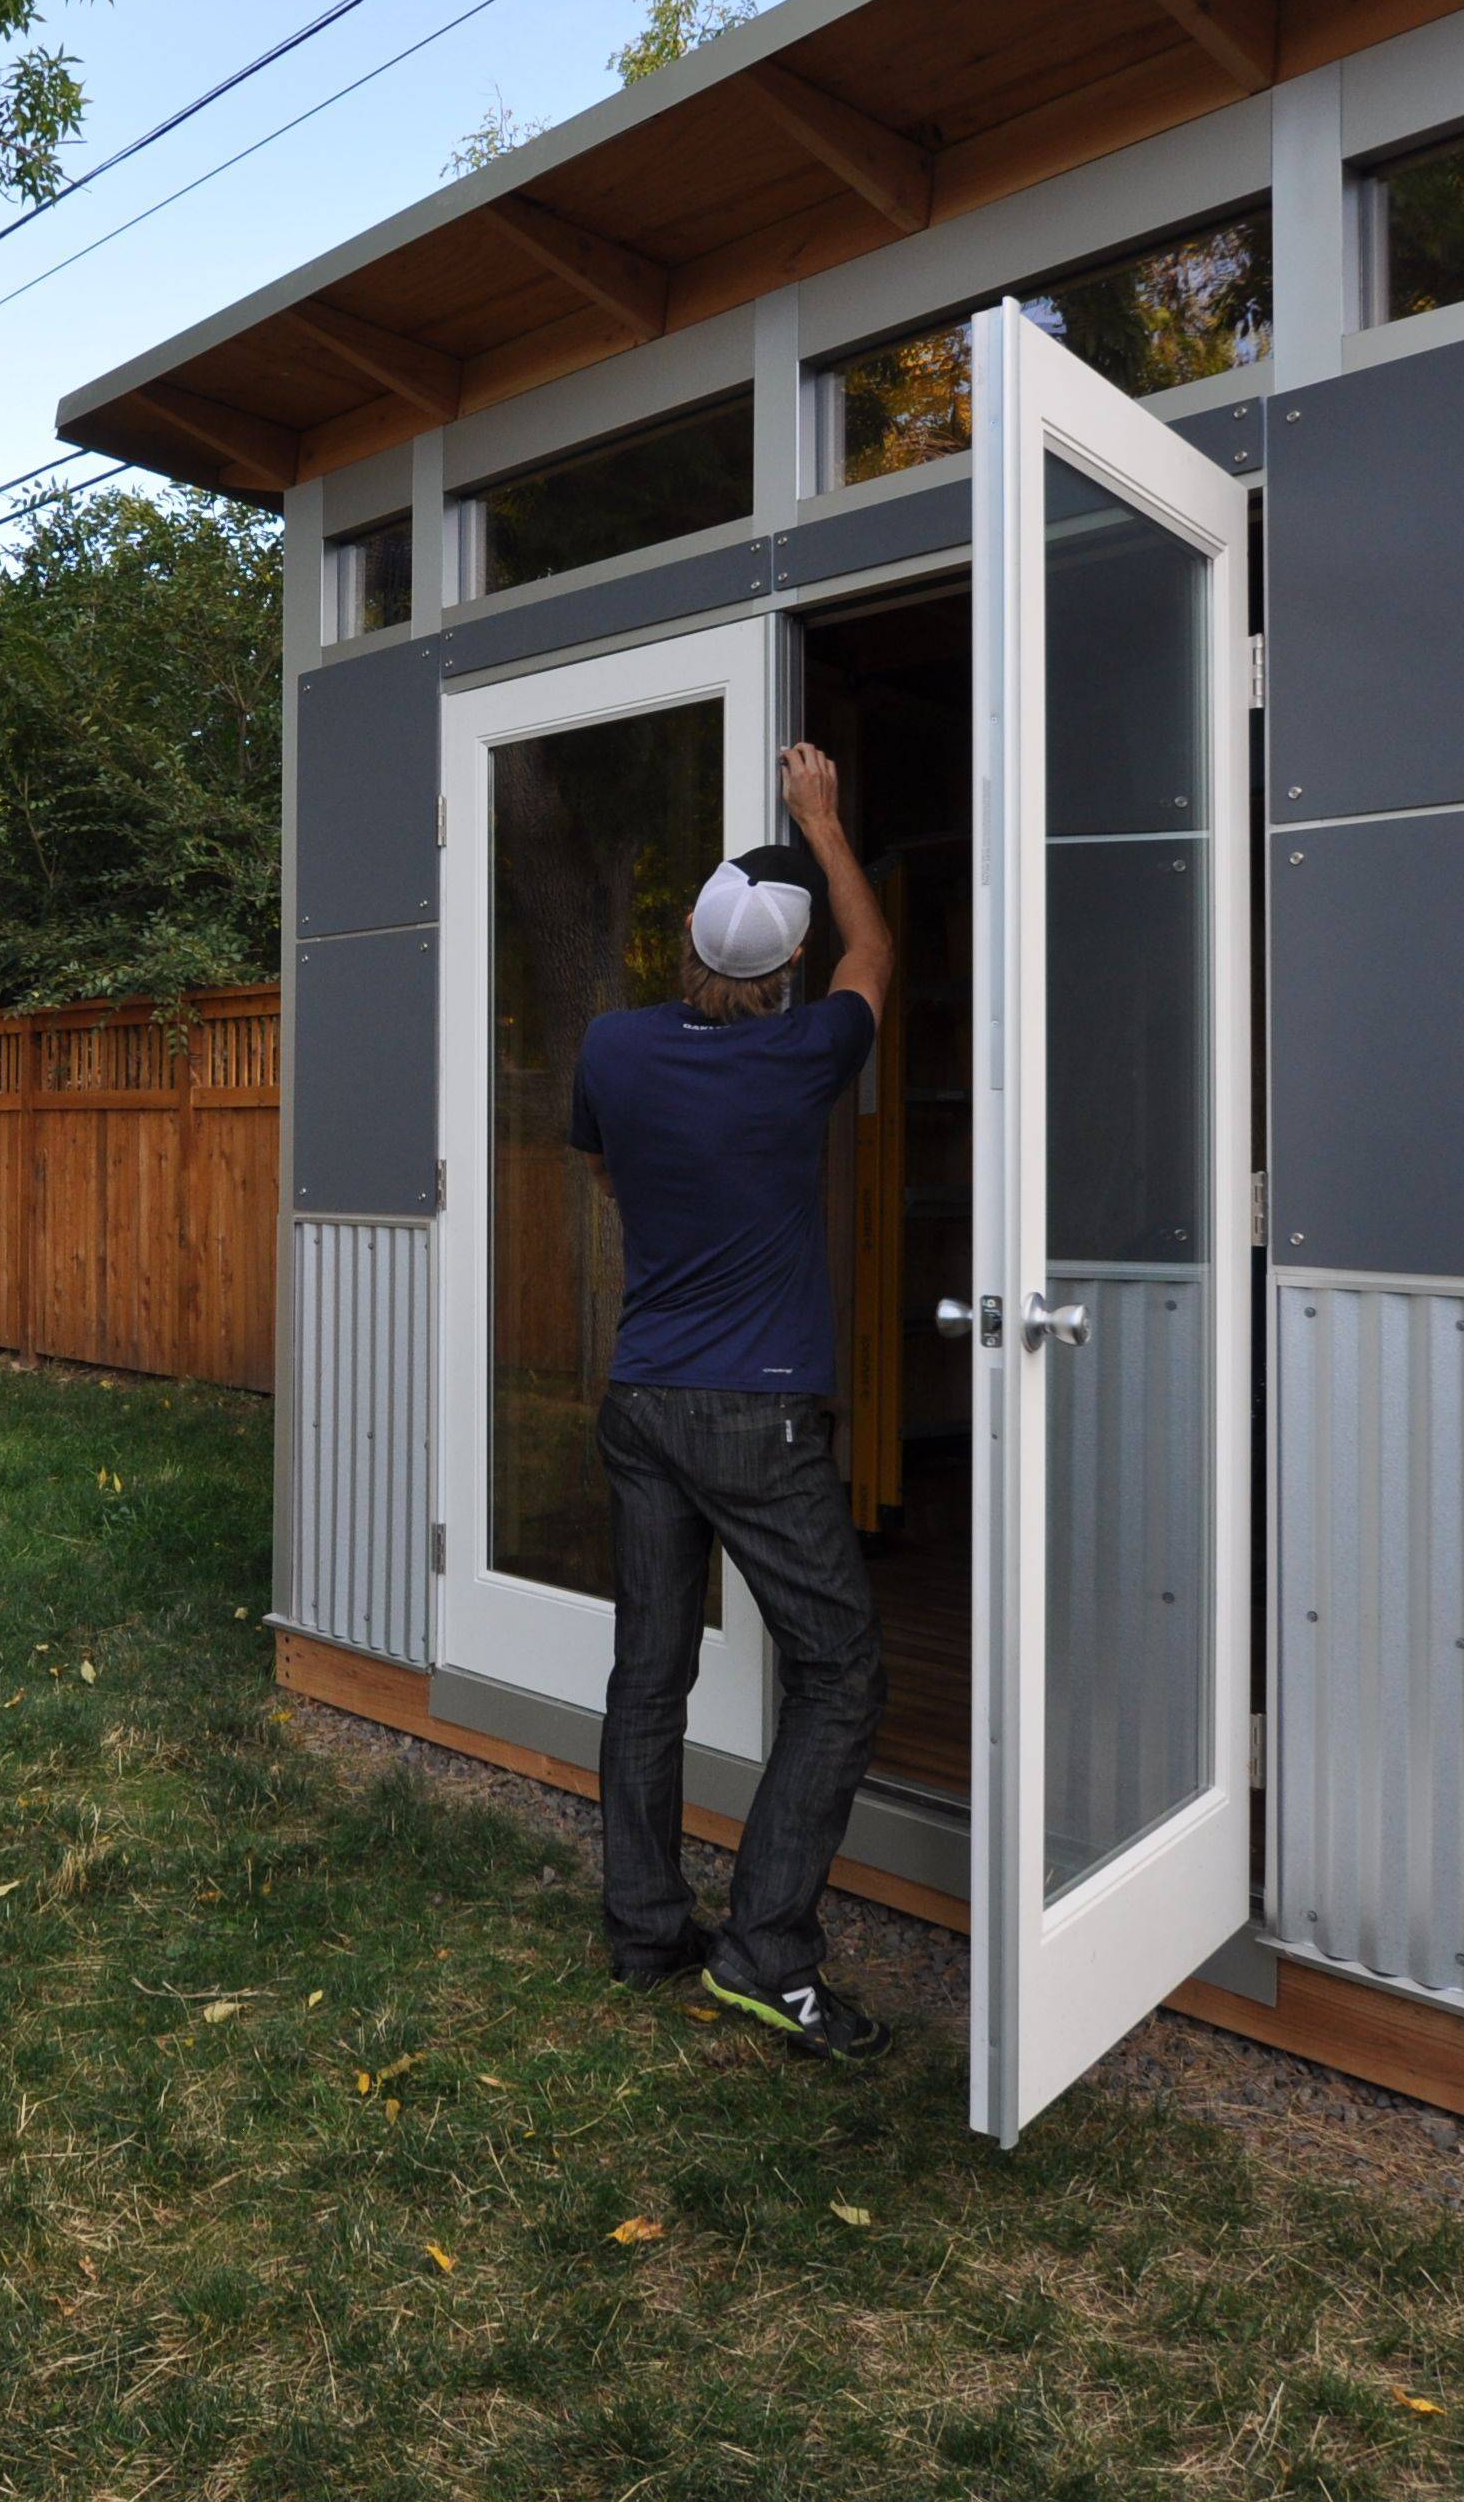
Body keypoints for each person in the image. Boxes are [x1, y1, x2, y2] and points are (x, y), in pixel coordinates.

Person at [566, 740, 896, 2062]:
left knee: (649, 1670)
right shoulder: (804, 1054)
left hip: (643, 1396)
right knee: (845, 1672)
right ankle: (765, 1956)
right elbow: (877, 959)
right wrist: (822, 819)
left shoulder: (615, 1047)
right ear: (782, 973)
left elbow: (605, 1178)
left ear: (692, 949)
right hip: (751, 1417)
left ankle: (647, 1927)